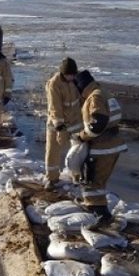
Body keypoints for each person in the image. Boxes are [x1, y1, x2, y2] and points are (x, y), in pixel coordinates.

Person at [71, 70, 127, 220]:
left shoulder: (94, 97)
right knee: (99, 182)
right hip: (114, 144)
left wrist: (82, 136)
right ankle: (99, 211)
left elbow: (98, 123)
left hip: (102, 148)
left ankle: (98, 215)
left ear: (81, 86)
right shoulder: (104, 92)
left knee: (92, 183)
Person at [44, 57, 82, 190]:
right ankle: (52, 178)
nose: (70, 77)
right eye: (68, 75)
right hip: (57, 123)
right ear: (62, 73)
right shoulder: (54, 83)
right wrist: (59, 126)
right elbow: (55, 106)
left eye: (72, 74)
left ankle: (77, 175)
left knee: (79, 149)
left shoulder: (76, 81)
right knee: (53, 150)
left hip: (75, 121)